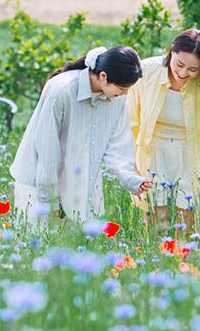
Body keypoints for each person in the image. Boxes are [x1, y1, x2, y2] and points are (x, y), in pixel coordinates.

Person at [10, 45, 153, 231]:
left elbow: (117, 144)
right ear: (103, 76)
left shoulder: (116, 98)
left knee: (76, 245)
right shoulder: (62, 90)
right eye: (122, 88)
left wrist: (131, 179)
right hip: (39, 183)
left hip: (80, 183)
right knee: (37, 243)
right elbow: (47, 148)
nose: (125, 93)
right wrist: (50, 199)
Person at [127, 29, 200, 236]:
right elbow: (130, 119)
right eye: (179, 64)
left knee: (187, 226)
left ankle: (184, 256)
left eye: (193, 69)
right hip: (153, 151)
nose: (183, 73)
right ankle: (156, 256)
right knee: (156, 224)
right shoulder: (146, 71)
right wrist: (133, 164)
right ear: (171, 52)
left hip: (191, 153)